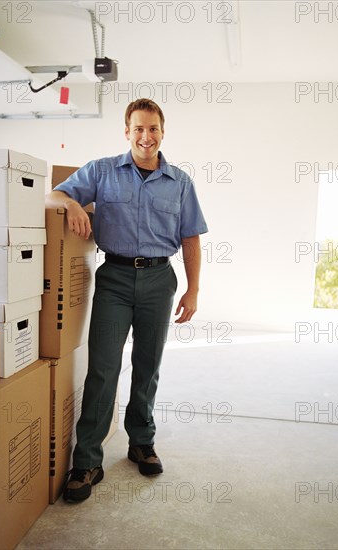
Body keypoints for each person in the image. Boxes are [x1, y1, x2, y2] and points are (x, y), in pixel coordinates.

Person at [45, 98, 208, 502]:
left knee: (148, 366)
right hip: (114, 278)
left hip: (159, 279)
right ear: (127, 131)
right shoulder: (102, 171)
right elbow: (53, 195)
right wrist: (71, 205)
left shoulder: (180, 182)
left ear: (162, 132)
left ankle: (141, 442)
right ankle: (86, 462)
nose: (146, 136)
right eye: (138, 128)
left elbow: (191, 238)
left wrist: (193, 289)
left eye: (153, 129)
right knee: (103, 368)